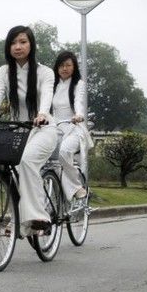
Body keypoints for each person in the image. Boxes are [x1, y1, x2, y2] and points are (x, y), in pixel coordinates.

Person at [0, 26, 58, 234]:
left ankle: (38, 217)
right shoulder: (4, 72)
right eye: (13, 43)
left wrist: (42, 114)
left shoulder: (45, 72)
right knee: (13, 172)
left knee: (27, 160)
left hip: (43, 129)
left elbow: (47, 95)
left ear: (31, 44)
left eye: (22, 42)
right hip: (18, 131)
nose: (17, 47)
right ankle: (18, 219)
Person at [51, 50, 93, 206]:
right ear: (56, 68)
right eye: (61, 65)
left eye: (68, 65)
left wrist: (79, 114)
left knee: (64, 152)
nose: (64, 68)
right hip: (56, 129)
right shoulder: (53, 85)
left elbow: (79, 102)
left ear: (74, 67)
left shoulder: (78, 84)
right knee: (46, 161)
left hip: (75, 128)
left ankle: (76, 187)